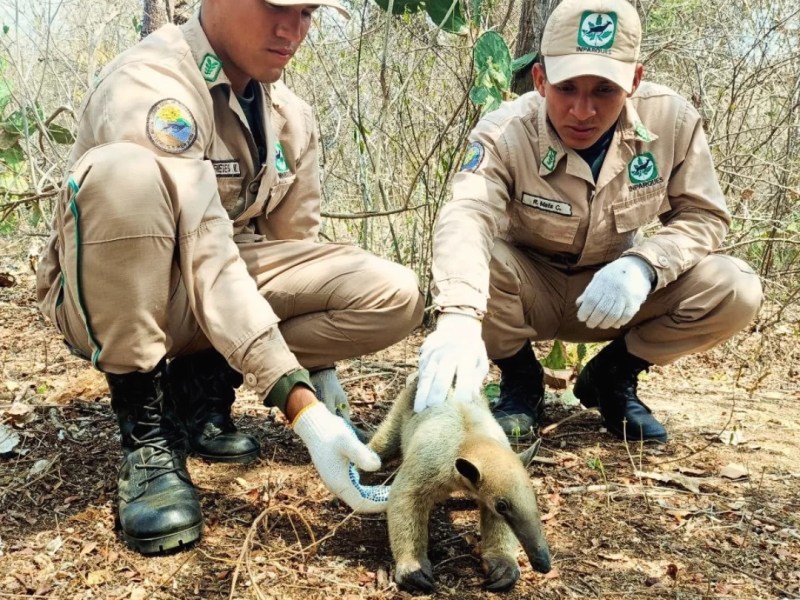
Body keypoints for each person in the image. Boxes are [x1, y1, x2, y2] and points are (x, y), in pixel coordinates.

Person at [35, 0, 424, 554]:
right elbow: (204, 246)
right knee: (124, 176)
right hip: (120, 294)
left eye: (308, 12)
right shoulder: (153, 81)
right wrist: (300, 407)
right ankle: (146, 431)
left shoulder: (289, 113)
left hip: (213, 292)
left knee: (393, 293)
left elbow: (292, 248)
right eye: (275, 7)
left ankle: (200, 391)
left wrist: (320, 375)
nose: (292, 29)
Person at [415, 0, 762, 444]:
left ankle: (614, 377)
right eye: (566, 88)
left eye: (604, 90)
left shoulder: (672, 121)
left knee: (734, 286)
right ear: (540, 80)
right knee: (485, 260)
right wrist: (459, 318)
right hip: (526, 290)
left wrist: (645, 265)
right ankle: (521, 383)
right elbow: (467, 214)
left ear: (634, 81)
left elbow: (703, 215)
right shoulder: (504, 132)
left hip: (614, 290)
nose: (582, 111)